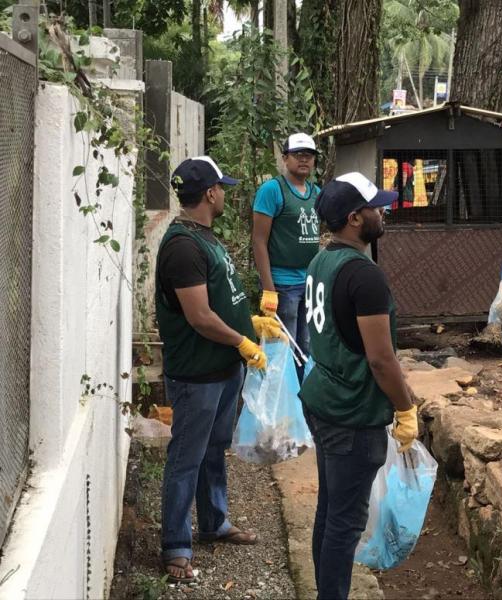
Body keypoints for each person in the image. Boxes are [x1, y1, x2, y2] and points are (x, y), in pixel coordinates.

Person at [156, 156, 280, 583]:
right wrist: (242, 341)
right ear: (209, 193)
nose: (225, 193)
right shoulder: (182, 247)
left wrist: (252, 322)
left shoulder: (204, 238)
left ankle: (214, 522)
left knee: (213, 449)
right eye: (222, 187)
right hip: (197, 375)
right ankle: (175, 546)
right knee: (186, 457)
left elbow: (222, 299)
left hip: (223, 370)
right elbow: (200, 317)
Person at [299, 172, 419, 600]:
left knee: (330, 509)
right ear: (355, 218)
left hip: (321, 399)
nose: (382, 211)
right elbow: (381, 359)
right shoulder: (364, 276)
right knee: (345, 522)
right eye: (375, 206)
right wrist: (405, 408)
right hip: (351, 413)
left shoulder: (321, 261)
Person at [253, 133, 321, 376]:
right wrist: (269, 289)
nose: (304, 160)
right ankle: (280, 406)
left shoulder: (316, 192)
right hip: (284, 284)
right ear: (285, 158)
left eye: (309, 155)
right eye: (298, 154)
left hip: (310, 284)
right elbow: (259, 240)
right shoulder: (273, 190)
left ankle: (300, 403)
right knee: (284, 349)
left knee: (307, 347)